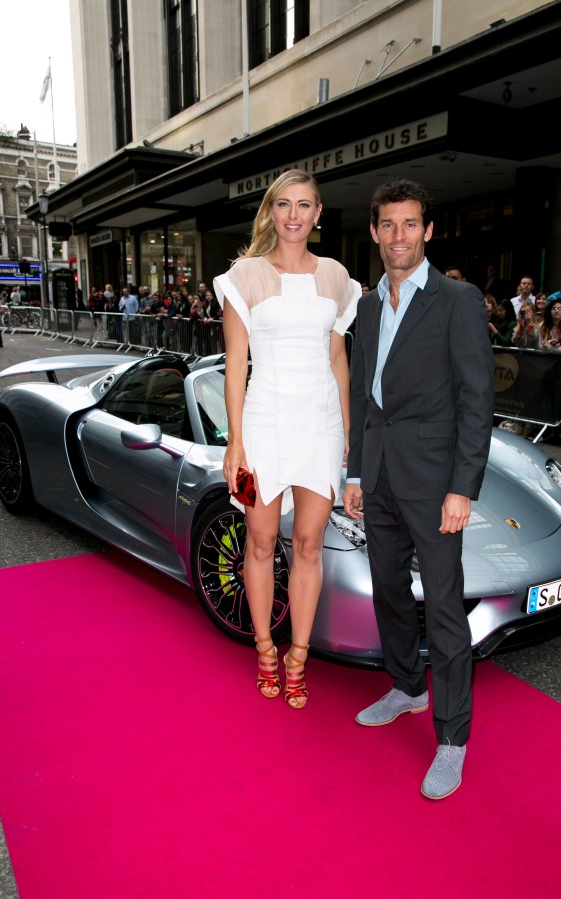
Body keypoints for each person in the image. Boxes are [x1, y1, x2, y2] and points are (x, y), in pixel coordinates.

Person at [342, 178, 494, 800]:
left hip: (434, 484)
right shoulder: (369, 306)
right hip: (376, 475)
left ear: (427, 232)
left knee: (445, 607)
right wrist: (354, 471)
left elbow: (476, 399)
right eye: (389, 225)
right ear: (375, 233)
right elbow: (362, 395)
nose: (399, 236)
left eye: (411, 224)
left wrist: (463, 487)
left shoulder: (458, 301)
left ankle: (453, 740)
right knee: (388, 593)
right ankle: (407, 686)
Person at [214, 169, 360, 710]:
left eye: (305, 205)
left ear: (318, 214)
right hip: (263, 426)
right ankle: (265, 649)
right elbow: (235, 366)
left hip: (319, 426)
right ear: (271, 213)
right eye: (284, 205)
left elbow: (338, 358)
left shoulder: (338, 277)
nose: (294, 216)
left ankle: (298, 655)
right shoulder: (244, 275)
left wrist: (346, 435)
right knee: (259, 540)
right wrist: (235, 444)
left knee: (308, 545)